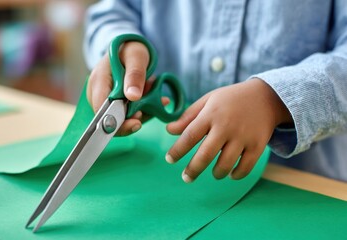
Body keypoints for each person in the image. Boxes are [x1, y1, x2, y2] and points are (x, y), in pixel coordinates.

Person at [83, 0, 347, 183]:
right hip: (157, 172)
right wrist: (120, 47)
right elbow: (113, 12)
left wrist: (274, 99)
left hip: (304, 187)